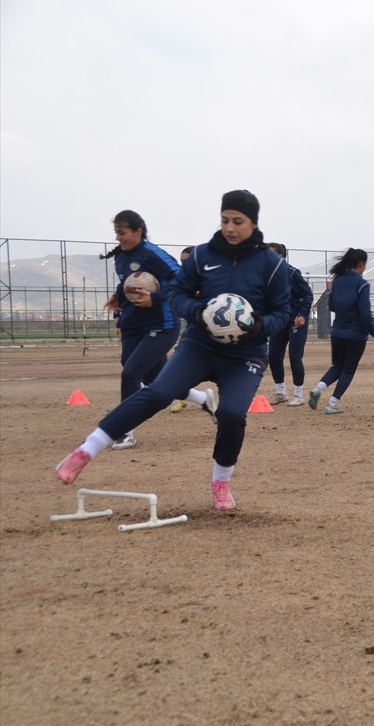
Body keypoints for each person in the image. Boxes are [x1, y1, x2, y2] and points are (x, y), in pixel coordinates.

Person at [56, 190, 291, 512]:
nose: (230, 228)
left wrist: (258, 325)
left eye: (238, 221)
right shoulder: (202, 256)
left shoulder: (272, 265)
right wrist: (196, 313)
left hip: (245, 354)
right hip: (199, 344)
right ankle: (87, 449)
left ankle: (221, 482)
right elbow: (179, 292)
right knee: (158, 392)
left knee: (232, 415)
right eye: (225, 220)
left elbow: (282, 312)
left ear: (253, 222)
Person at [99, 210, 182, 449]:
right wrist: (118, 297)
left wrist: (155, 297)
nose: (118, 237)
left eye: (122, 232)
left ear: (138, 232)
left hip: (161, 325)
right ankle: (202, 398)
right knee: (156, 379)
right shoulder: (121, 257)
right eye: (116, 232)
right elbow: (127, 282)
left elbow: (180, 279)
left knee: (131, 374)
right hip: (133, 324)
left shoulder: (152, 253)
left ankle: (125, 431)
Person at [308, 248, 374, 414]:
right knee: (348, 369)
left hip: (337, 332)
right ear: (361, 264)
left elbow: (332, 306)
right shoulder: (362, 284)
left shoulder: (337, 281)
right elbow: (365, 314)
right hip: (355, 334)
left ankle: (318, 388)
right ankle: (332, 403)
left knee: (337, 366)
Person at [166, 245, 221, 417]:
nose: (183, 265)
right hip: (192, 331)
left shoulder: (212, 279)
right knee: (175, 367)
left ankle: (222, 404)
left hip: (214, 334)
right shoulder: (184, 281)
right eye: (181, 261)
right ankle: (185, 396)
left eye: (186, 261)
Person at [265, 243, 314, 407]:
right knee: (273, 356)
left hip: (295, 321)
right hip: (279, 320)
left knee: (294, 356)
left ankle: (298, 394)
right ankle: (281, 393)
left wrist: (302, 314)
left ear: (280, 256)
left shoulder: (292, 273)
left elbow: (308, 293)